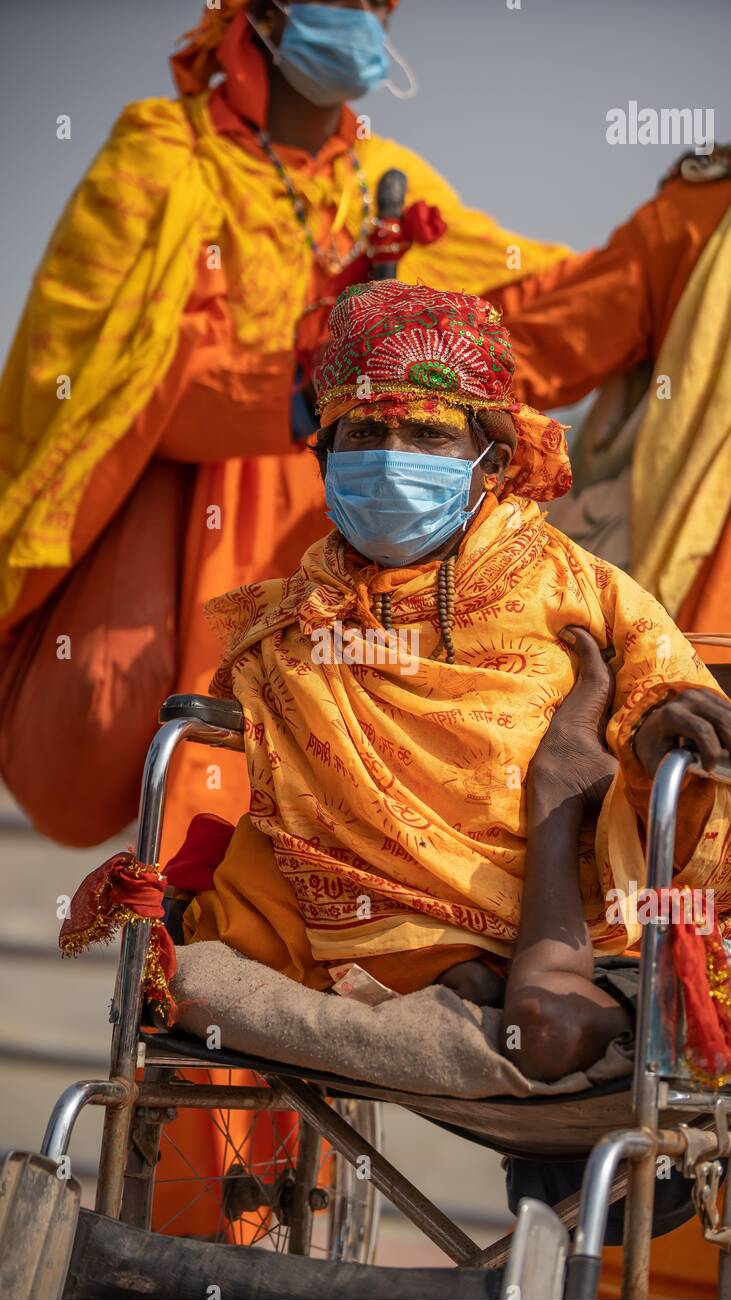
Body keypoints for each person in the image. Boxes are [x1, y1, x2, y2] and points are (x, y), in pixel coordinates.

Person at [0, 0, 570, 854]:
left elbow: (528, 306)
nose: (363, 23)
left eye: (374, 7)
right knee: (189, 782)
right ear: (261, 15)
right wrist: (301, 393)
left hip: (353, 515)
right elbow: (97, 371)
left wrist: (670, 238)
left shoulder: (388, 176)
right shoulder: (163, 153)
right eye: (339, 6)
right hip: (198, 517)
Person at [184, 279, 731, 1051]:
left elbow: (657, 683)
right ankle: (440, 964)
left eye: (428, 436)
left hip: (570, 913)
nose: (389, 459)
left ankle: (502, 978)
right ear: (324, 459)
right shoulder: (289, 623)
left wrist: (649, 729)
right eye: (363, 431)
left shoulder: (572, 584)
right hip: (358, 921)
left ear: (492, 459)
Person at [490, 146, 731, 664]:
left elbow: (552, 348)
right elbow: (551, 348)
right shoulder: (695, 213)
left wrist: (420, 373)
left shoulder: (698, 209)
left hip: (696, 617)